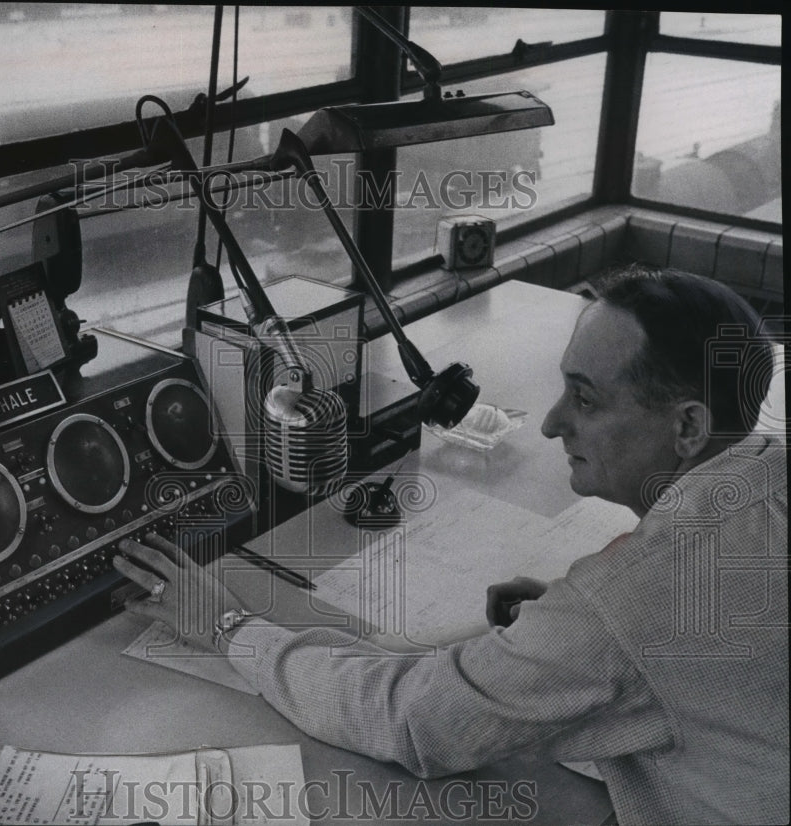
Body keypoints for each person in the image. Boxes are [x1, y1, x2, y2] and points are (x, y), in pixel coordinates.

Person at [114, 266, 788, 826]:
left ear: (689, 428)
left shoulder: (627, 601)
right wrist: (575, 634)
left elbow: (409, 720)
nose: (552, 423)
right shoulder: (769, 470)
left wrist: (226, 626)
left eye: (585, 400)